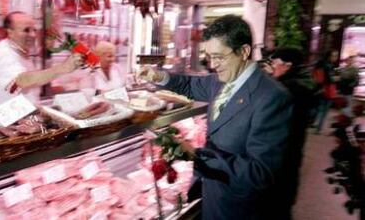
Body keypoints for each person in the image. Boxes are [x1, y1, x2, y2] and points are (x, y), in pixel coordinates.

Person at [138, 15, 293, 220]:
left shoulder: (272, 97)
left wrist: (196, 155)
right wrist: (159, 77)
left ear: (244, 51)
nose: (213, 64)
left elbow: (260, 173)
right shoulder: (219, 81)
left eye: (219, 57)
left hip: (240, 207)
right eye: (209, 56)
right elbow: (189, 85)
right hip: (213, 196)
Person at [0, 11, 83, 109]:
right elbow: (20, 82)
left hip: (18, 120)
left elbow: (29, 86)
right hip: (0, 123)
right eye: (26, 30)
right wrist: (62, 68)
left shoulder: (19, 52)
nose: (33, 35)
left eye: (34, 30)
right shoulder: (1, 54)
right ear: (10, 32)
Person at [268, 47, 317, 219]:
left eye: (273, 62)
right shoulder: (298, 85)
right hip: (290, 153)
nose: (271, 66)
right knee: (283, 202)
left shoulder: (287, 90)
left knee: (277, 204)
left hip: (280, 155)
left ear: (287, 66)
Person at [312, 49, 339, 133]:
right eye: (334, 56)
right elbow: (331, 79)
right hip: (328, 90)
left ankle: (316, 124)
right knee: (324, 111)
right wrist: (337, 78)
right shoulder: (329, 66)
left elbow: (316, 76)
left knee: (319, 108)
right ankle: (318, 128)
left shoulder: (320, 63)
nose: (336, 58)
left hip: (320, 89)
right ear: (329, 56)